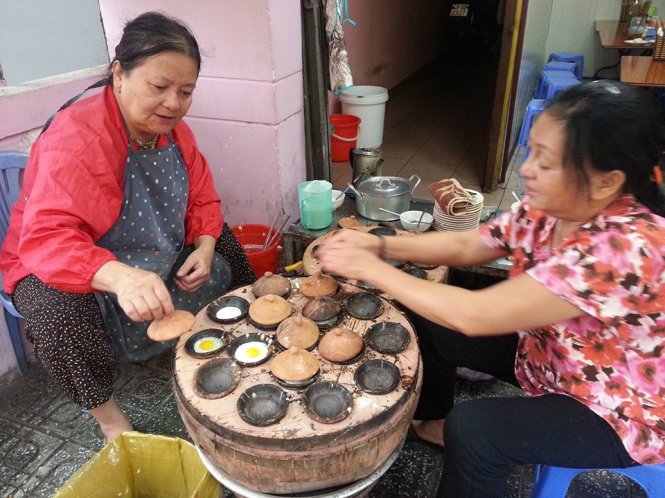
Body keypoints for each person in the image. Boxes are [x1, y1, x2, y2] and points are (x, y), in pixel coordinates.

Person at [318, 81, 665, 497]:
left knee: (477, 430)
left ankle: (465, 445)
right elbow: (470, 244)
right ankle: (430, 422)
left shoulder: (624, 247)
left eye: (546, 162)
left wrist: (373, 269)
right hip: (550, 356)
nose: (526, 169)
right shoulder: (551, 209)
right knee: (427, 324)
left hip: (617, 408)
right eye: (532, 150)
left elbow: (476, 313)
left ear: (607, 182)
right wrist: (380, 244)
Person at [0, 12, 255, 442]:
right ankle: (109, 418)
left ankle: (242, 340)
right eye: (159, 87)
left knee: (226, 242)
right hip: (64, 260)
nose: (173, 104)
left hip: (149, 247)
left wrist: (207, 245)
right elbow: (47, 238)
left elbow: (203, 198)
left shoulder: (176, 133)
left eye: (185, 92)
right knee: (54, 314)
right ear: (119, 74)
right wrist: (120, 276)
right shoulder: (78, 137)